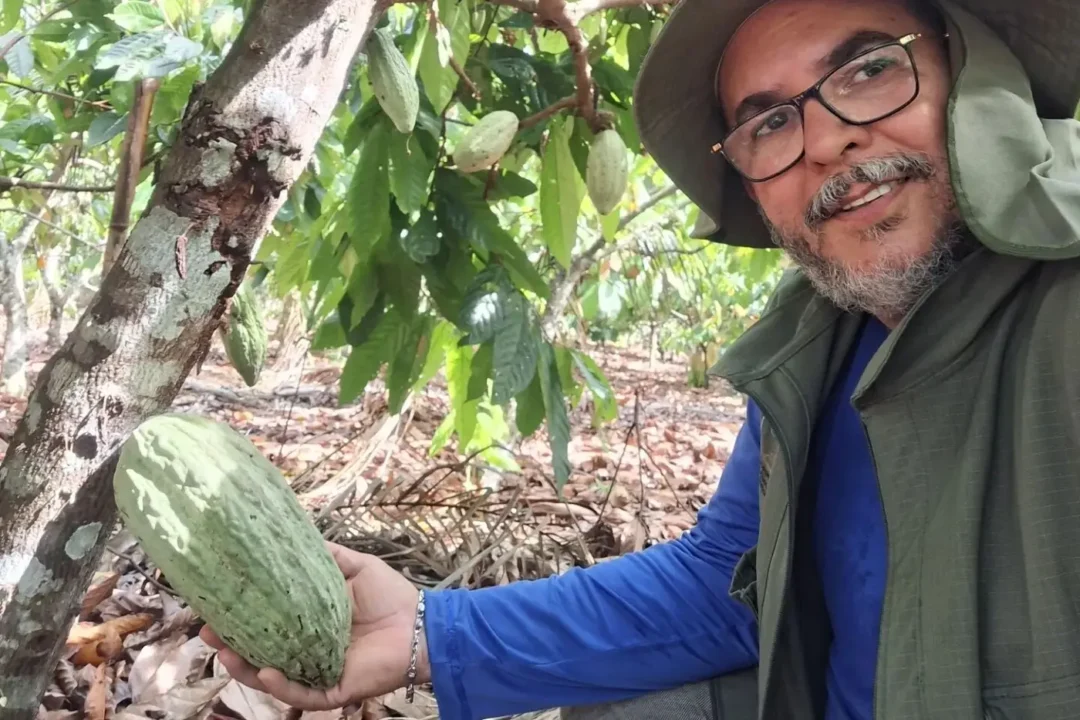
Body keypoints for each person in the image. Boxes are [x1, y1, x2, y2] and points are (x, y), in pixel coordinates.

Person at [202, 0, 1080, 717]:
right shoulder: (819, 341)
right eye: (772, 122)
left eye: (869, 69)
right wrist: (432, 632)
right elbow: (721, 585)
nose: (825, 140)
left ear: (973, 71)